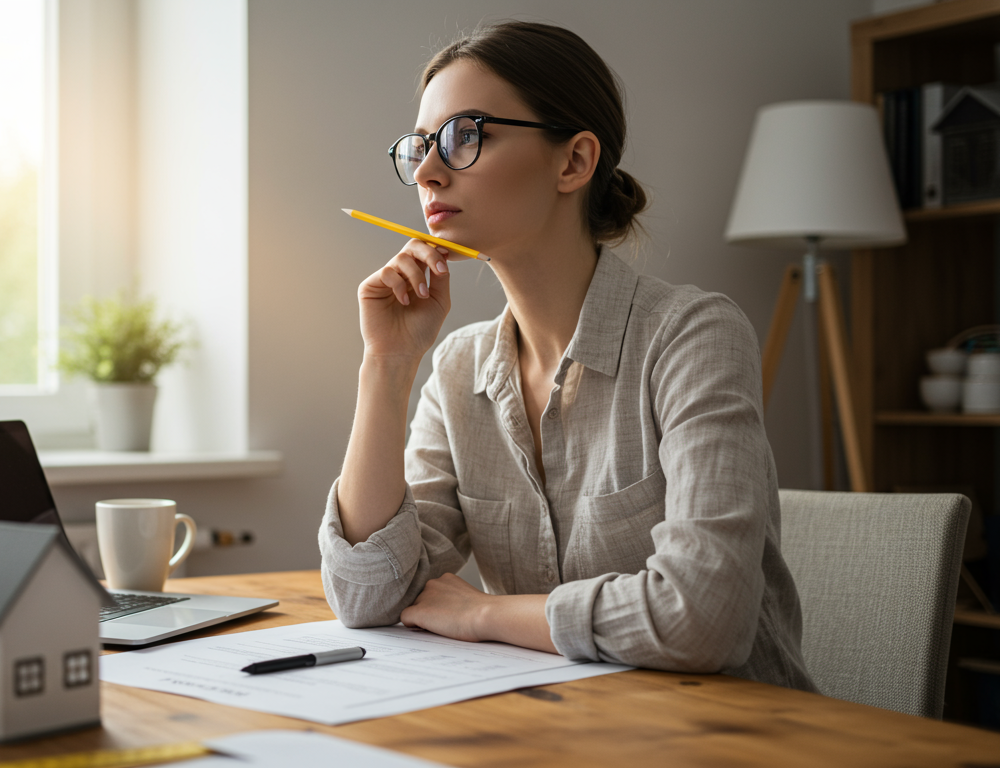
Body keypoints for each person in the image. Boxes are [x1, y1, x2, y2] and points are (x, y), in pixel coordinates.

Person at [318, 21, 814, 691]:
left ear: (574, 162)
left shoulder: (693, 336)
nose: (429, 171)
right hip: (559, 732)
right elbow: (368, 596)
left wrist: (486, 615)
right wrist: (387, 364)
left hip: (732, 737)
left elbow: (703, 617)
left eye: (466, 136)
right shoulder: (459, 368)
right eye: (421, 147)